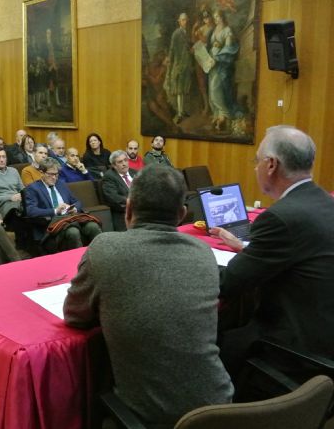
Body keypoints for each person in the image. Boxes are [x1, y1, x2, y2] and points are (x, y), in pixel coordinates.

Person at [63, 165, 233, 427]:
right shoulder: (203, 253)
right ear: (181, 214)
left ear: (128, 209)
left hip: (153, 419)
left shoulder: (105, 249)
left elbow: (74, 316)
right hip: (220, 409)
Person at [210, 125, 334, 376]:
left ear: (271, 165)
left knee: (210, 350)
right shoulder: (323, 201)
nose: (255, 168)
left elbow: (229, 283)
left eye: (257, 161)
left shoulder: (280, 217)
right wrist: (247, 248)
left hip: (295, 347)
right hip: (324, 328)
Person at [25, 158, 101, 252]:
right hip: (52, 225)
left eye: (56, 174)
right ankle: (79, 261)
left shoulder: (60, 185)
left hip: (70, 219)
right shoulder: (33, 188)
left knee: (93, 226)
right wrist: (55, 210)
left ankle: (100, 256)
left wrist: (74, 209)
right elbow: (31, 211)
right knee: (73, 232)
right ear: (41, 173)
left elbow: (77, 202)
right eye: (51, 174)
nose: (54, 178)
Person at [207, 10, 239, 131]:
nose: (215, 19)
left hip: (222, 64)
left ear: (222, 17)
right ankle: (218, 116)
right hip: (211, 64)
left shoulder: (228, 30)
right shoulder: (214, 30)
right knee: (211, 90)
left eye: (217, 17)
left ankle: (226, 115)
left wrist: (217, 57)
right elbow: (212, 45)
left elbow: (229, 48)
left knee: (216, 89)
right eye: (214, 17)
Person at [165, 13, 194, 124]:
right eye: (183, 20)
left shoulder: (187, 33)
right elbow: (172, 49)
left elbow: (188, 47)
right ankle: (180, 113)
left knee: (184, 89)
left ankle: (182, 111)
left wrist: (191, 50)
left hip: (186, 64)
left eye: (186, 20)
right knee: (179, 90)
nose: (185, 22)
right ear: (179, 21)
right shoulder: (176, 34)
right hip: (179, 65)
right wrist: (170, 61)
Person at [101, 150, 138, 231]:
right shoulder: (109, 177)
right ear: (114, 165)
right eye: (120, 162)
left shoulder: (135, 173)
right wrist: (132, 202)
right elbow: (114, 197)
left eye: (125, 160)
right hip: (123, 213)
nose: (124, 164)